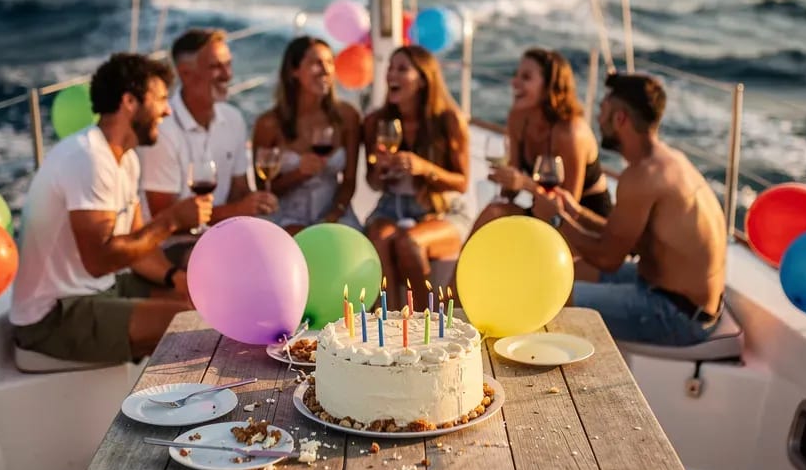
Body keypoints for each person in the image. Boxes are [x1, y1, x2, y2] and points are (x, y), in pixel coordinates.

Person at [10, 53, 213, 363]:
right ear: (129, 101)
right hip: (53, 314)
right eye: (160, 99)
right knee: (191, 322)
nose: (168, 110)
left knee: (206, 301)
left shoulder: (126, 158)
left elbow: (138, 248)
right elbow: (99, 261)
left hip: (102, 288)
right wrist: (171, 220)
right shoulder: (87, 158)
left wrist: (175, 277)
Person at [533, 73, 726, 346]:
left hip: (679, 315)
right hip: (678, 295)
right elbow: (621, 237)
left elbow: (608, 258)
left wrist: (555, 219)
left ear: (620, 119)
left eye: (602, 110)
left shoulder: (641, 177)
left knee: (547, 294)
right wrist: (574, 212)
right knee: (565, 271)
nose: (597, 118)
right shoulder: (670, 161)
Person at [138, 28, 278, 289]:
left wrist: (255, 202)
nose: (227, 75)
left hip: (223, 234)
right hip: (174, 245)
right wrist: (237, 211)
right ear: (185, 73)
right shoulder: (162, 130)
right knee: (226, 265)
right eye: (216, 67)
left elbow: (239, 191)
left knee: (280, 249)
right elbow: (164, 220)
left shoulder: (233, 119)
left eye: (228, 65)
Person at [364, 45, 471, 310]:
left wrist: (424, 168)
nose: (391, 74)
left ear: (423, 79)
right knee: (379, 239)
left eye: (402, 69)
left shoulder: (448, 120)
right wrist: (381, 170)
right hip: (391, 207)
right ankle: (388, 320)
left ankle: (426, 321)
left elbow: (461, 183)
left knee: (409, 243)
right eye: (390, 68)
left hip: (442, 209)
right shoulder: (376, 121)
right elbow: (372, 183)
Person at [471, 48, 612, 235]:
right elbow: (510, 192)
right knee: (493, 213)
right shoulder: (518, 118)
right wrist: (505, 180)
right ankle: (463, 256)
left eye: (526, 77)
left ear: (549, 87)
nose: (514, 82)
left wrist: (524, 183)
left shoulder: (570, 131)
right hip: (543, 213)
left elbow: (568, 204)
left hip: (580, 224)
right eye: (516, 75)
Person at [251, 36, 361, 234]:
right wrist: (298, 174)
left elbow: (349, 181)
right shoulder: (268, 124)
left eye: (329, 62)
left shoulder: (347, 116)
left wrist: (333, 215)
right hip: (287, 216)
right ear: (294, 71)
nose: (326, 70)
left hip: (335, 213)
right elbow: (265, 189)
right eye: (316, 63)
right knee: (300, 240)